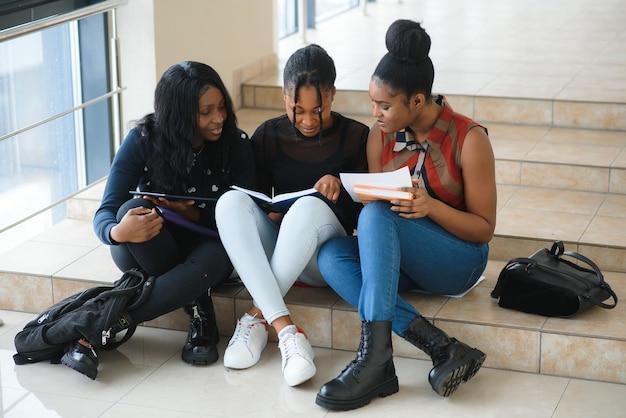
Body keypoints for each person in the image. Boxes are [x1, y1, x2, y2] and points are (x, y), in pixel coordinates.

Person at [315, 19, 496, 410]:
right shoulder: (379, 135)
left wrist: (431, 207)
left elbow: (483, 230)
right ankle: (439, 345)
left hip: (457, 260)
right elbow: (380, 209)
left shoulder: (470, 139)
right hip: (404, 257)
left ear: (416, 101)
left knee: (378, 218)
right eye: (372, 103)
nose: (375, 114)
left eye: (384, 105)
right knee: (332, 256)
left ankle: (374, 360)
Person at [63, 61, 256, 380]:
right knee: (130, 212)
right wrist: (117, 231)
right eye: (206, 112)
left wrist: (189, 212)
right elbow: (106, 210)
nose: (219, 118)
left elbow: (248, 215)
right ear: (178, 115)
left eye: (221, 107)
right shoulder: (143, 138)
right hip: (151, 244)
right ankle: (198, 303)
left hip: (210, 246)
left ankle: (93, 326)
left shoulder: (236, 143)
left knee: (209, 262)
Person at [215, 44, 368, 386]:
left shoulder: (356, 136)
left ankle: (255, 316)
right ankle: (287, 333)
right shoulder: (268, 135)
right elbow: (256, 202)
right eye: (297, 109)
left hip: (323, 261)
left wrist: (340, 186)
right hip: (282, 249)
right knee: (230, 202)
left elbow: (363, 218)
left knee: (310, 205)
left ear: (332, 95)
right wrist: (270, 216)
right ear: (283, 94)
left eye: (319, 109)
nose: (308, 121)